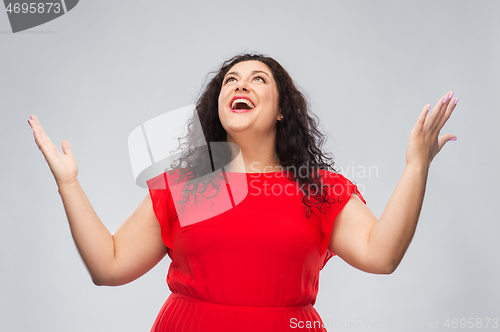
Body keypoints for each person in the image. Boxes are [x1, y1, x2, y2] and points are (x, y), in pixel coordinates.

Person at [27, 52, 459, 331]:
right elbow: (110, 265)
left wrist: (415, 166)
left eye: (257, 80)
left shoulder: (318, 189)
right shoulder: (191, 185)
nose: (239, 86)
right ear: (218, 105)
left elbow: (382, 256)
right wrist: (69, 183)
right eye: (231, 81)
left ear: (281, 111)